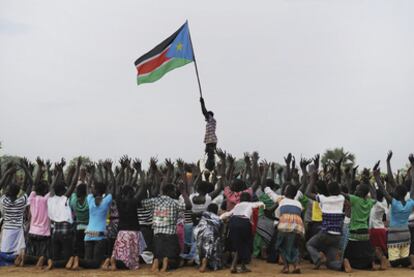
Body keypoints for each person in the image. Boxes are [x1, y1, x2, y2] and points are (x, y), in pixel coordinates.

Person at [374, 157, 414, 268]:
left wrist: (377, 177)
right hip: (406, 232)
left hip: (394, 234)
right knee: (403, 261)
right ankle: (410, 259)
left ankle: (409, 258)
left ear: (397, 193)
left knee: (393, 262)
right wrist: (413, 166)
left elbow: (382, 189)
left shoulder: (394, 203)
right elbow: (413, 186)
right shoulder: (410, 202)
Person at [141, 183, 190, 272]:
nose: (175, 194)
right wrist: (183, 191)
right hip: (170, 235)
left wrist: (146, 187)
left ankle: (156, 261)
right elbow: (188, 206)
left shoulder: (155, 201)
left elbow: (142, 203)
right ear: (170, 191)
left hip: (157, 234)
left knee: (158, 253)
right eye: (174, 191)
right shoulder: (175, 202)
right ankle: (166, 261)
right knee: (173, 257)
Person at [306, 170, 345, 271]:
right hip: (337, 236)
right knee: (330, 263)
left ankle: (318, 258)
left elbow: (307, 193)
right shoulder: (341, 198)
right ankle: (342, 265)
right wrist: (332, 179)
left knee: (310, 244)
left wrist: (312, 180)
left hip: (325, 233)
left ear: (328, 189)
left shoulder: (323, 199)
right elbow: (338, 188)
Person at [103, 183, 147, 270]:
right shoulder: (133, 202)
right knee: (131, 262)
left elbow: (117, 187)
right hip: (133, 233)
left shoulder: (119, 201)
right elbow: (143, 186)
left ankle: (111, 260)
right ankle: (113, 261)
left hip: (121, 233)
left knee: (120, 254)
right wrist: (139, 172)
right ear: (130, 193)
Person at [69, 181, 112, 269]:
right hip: (99, 235)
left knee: (88, 262)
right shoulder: (106, 200)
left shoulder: (90, 199)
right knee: (95, 264)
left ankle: (77, 259)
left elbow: (88, 188)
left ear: (96, 190)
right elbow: (109, 191)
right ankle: (78, 260)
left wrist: (91, 176)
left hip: (88, 234)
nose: (91, 189)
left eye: (93, 188)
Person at [47, 158, 80, 269]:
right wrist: (78, 167)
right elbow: (74, 183)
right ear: (63, 191)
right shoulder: (64, 199)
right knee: (67, 258)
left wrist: (58, 173)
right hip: (66, 230)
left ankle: (52, 262)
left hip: (55, 230)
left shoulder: (51, 198)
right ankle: (68, 260)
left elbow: (52, 186)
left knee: (56, 257)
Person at [220, 192, 264, 273]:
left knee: (238, 245)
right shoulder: (250, 204)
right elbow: (258, 204)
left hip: (233, 222)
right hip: (244, 222)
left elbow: (229, 214)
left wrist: (220, 218)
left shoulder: (237, 205)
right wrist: (263, 204)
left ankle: (235, 265)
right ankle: (238, 266)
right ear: (249, 199)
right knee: (245, 244)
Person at [342, 175, 377, 272]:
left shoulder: (355, 199)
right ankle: (372, 263)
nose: (356, 191)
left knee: (348, 253)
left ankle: (347, 263)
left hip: (354, 231)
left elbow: (344, 194)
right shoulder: (369, 202)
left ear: (360, 192)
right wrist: (369, 183)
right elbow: (375, 197)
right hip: (365, 231)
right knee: (366, 251)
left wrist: (337, 190)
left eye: (358, 190)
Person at [194, 203, 224, 272]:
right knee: (209, 249)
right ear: (216, 210)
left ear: (208, 209)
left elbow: (194, 214)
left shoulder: (204, 213)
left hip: (200, 232)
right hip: (210, 234)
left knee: (200, 247)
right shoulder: (219, 219)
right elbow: (220, 233)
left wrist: (196, 220)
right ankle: (205, 264)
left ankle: (200, 263)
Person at [70, 183, 89, 259]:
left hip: (78, 227)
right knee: (86, 247)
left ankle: (78, 260)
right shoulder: (89, 201)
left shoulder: (73, 201)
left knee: (79, 246)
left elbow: (73, 193)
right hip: (88, 227)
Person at [200, 97, 217, 171]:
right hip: (211, 140)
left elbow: (204, 112)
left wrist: (202, 103)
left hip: (210, 140)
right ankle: (210, 166)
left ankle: (209, 167)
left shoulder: (211, 119)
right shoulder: (212, 121)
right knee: (209, 154)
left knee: (209, 154)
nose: (205, 118)